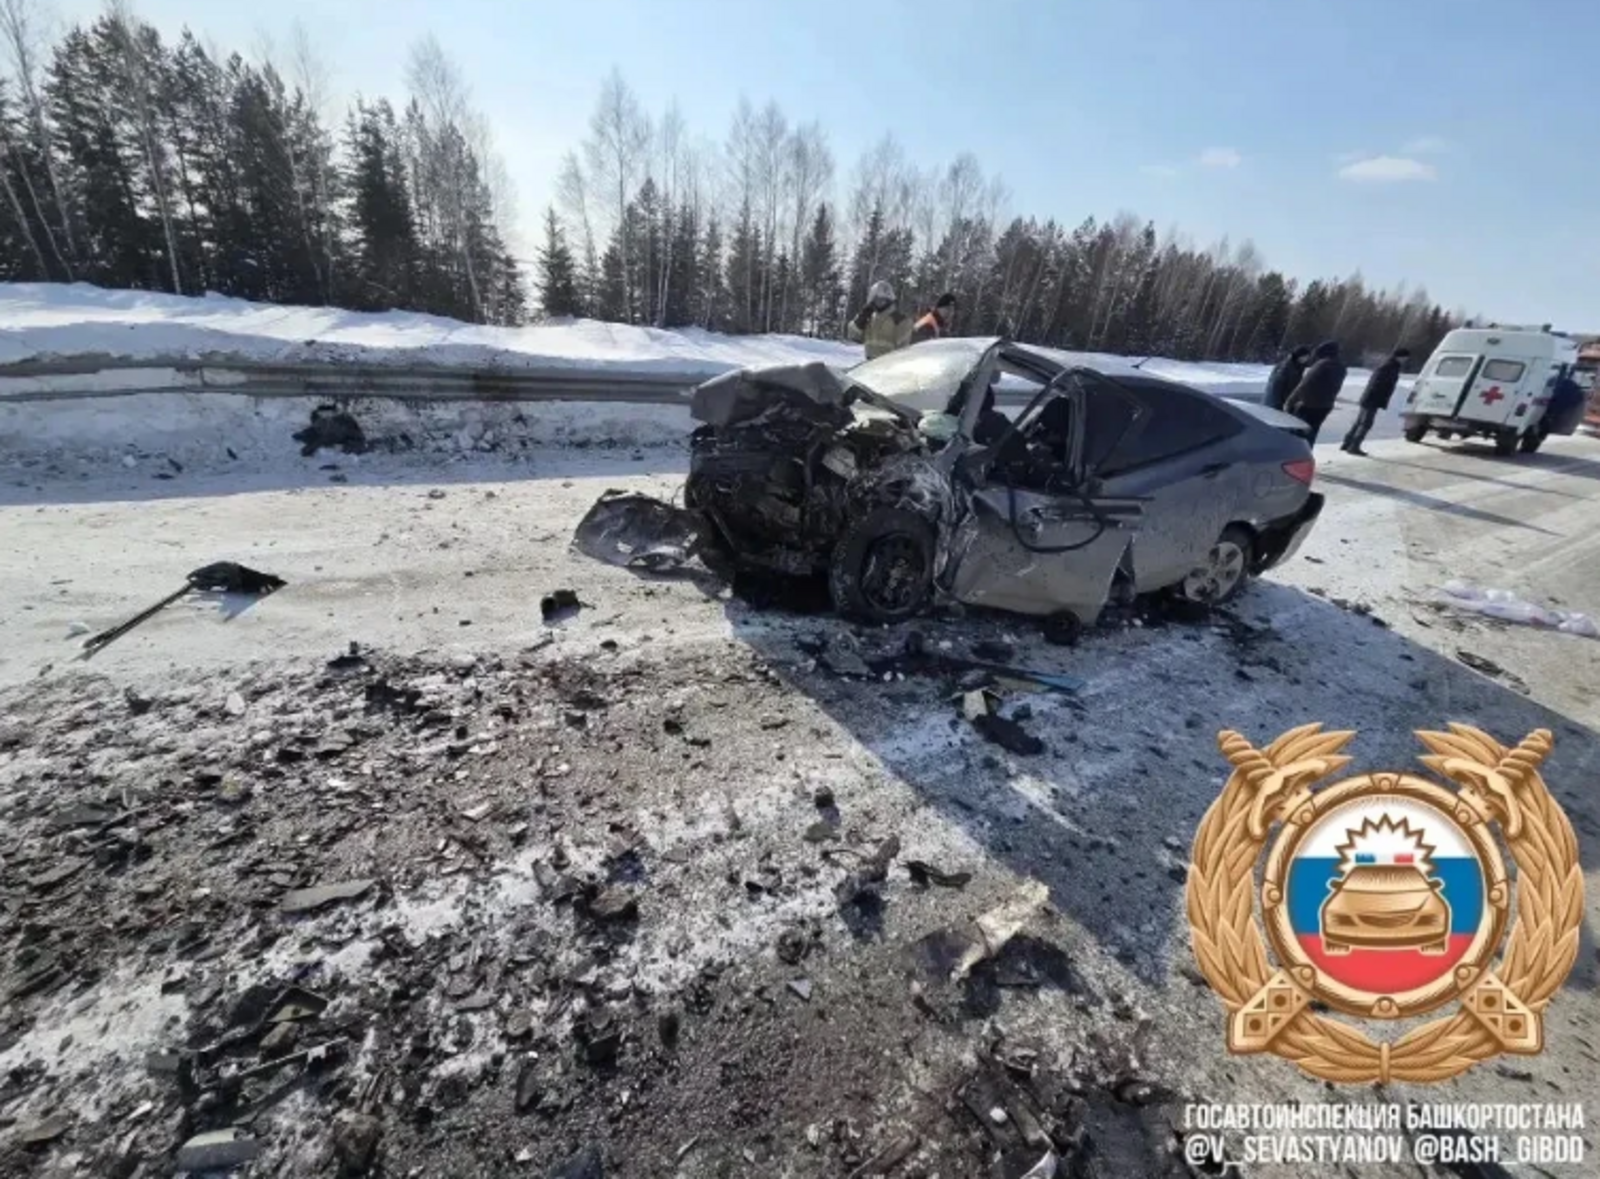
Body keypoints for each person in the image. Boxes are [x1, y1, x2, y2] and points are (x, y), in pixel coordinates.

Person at [1341, 347, 1410, 455]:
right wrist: (1380, 397)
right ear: (1400, 356)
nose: (1405, 360)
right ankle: (1354, 446)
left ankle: (1347, 444)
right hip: (1373, 398)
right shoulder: (1390, 367)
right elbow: (1379, 384)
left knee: (1359, 422)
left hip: (1369, 397)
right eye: (1405, 357)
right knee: (1366, 424)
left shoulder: (1388, 365)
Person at [1283, 340, 1347, 446]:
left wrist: (1289, 402)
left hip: (1309, 406)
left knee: (1298, 434)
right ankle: (1306, 455)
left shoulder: (1321, 365)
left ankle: (1295, 457)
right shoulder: (1341, 368)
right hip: (1325, 407)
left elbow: (1304, 385)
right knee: (1311, 434)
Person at [846, 280, 914, 359]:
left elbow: (904, 351)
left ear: (889, 300)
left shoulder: (899, 320)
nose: (878, 303)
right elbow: (853, 335)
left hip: (889, 367)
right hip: (869, 365)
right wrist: (861, 319)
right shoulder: (869, 318)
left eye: (882, 300)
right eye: (876, 300)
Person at [1265, 345, 1311, 412]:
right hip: (1276, 403)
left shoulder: (1298, 367)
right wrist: (1278, 404)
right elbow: (1276, 386)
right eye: (1305, 356)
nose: (1307, 359)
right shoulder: (1286, 367)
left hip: (1286, 402)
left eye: (1308, 357)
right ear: (1299, 356)